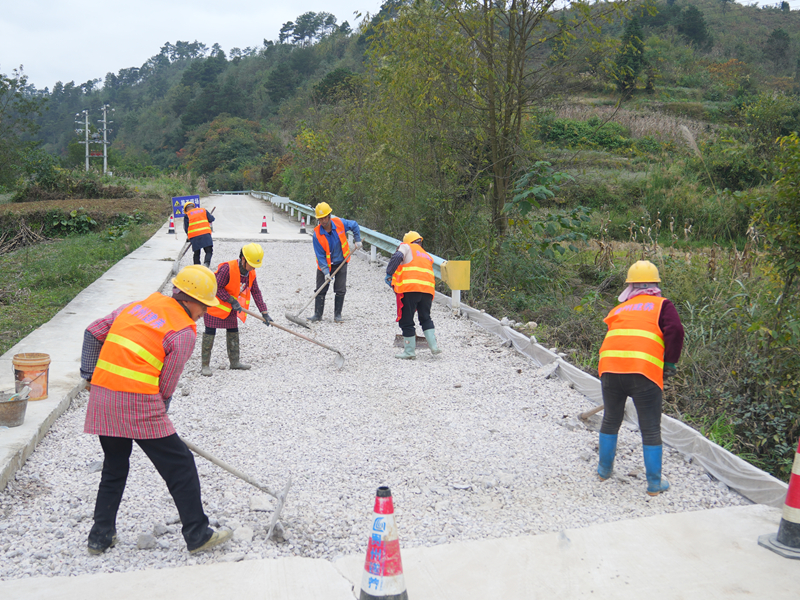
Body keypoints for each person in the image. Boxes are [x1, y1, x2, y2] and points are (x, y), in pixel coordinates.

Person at [80, 265, 232, 555]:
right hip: (137, 402)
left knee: (114, 466)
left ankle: (100, 536)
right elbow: (166, 387)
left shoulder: (137, 305)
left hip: (102, 399)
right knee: (180, 465)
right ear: (188, 299)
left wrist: (89, 375)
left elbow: (92, 333)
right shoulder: (183, 333)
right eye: (204, 306)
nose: (204, 313)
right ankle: (197, 534)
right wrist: (159, 416)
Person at [596, 260, 684, 496]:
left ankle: (604, 470)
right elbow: (675, 330)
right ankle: (654, 484)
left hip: (610, 368)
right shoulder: (662, 305)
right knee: (650, 428)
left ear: (631, 286)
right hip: (643, 372)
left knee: (611, 419)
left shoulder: (619, 309)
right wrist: (670, 362)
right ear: (655, 284)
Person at [201, 243, 272, 376]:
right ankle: (205, 365)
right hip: (215, 306)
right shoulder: (227, 269)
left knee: (233, 332)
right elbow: (216, 288)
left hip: (230, 309)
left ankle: (235, 362)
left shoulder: (251, 273)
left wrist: (265, 312)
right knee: (210, 333)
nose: (252, 268)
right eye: (251, 264)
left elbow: (256, 292)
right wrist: (232, 300)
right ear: (243, 259)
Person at [386, 231, 441, 359]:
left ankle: (409, 352)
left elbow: (396, 257)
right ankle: (434, 347)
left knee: (406, 319)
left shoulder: (406, 246)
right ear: (419, 241)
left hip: (410, 289)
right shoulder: (426, 255)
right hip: (427, 290)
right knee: (425, 317)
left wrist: (389, 273)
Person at [309, 202, 363, 323]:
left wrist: (357, 240)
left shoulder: (340, 223)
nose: (323, 221)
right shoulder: (317, 235)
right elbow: (320, 256)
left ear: (329, 216)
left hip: (341, 262)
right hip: (325, 265)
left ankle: (337, 315)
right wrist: (326, 272)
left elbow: (354, 225)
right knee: (320, 289)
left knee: (340, 289)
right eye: (320, 218)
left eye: (324, 217)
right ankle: (317, 315)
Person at [183, 200, 215, 268]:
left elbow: (186, 229)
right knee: (209, 251)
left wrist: (189, 237)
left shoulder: (187, 215)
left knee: (196, 253)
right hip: (205, 234)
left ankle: (197, 267)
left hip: (194, 236)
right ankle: (206, 264)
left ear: (187, 209)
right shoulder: (203, 210)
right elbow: (212, 219)